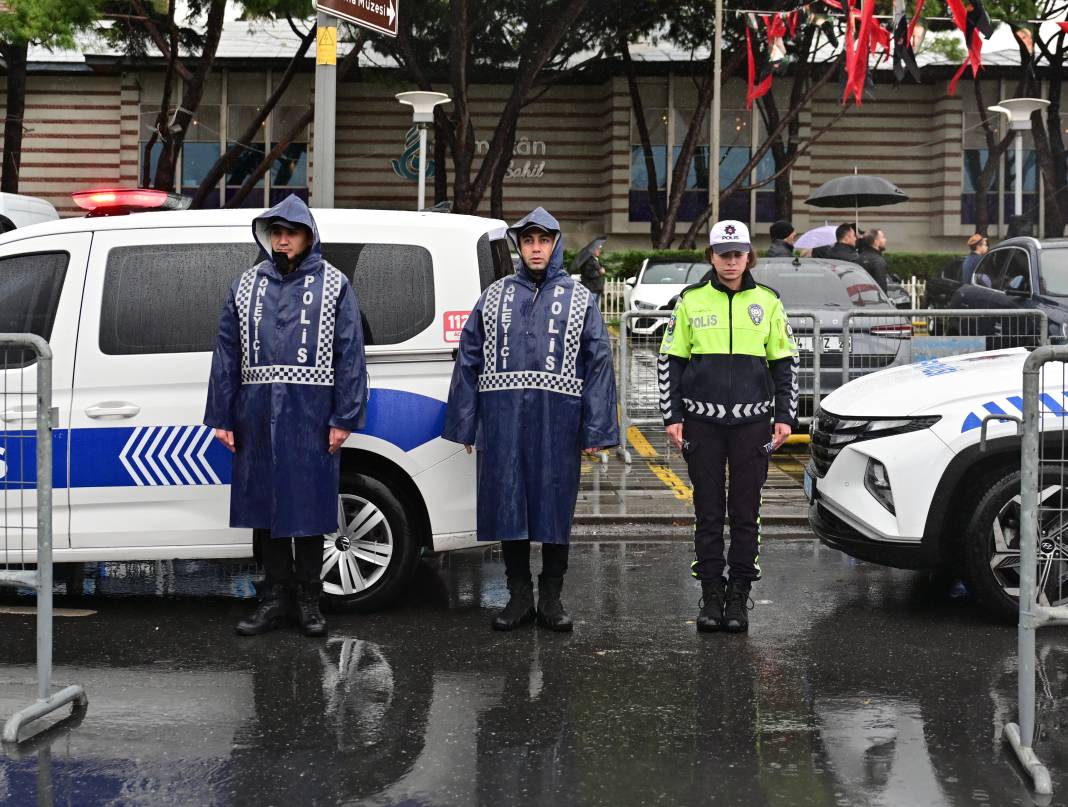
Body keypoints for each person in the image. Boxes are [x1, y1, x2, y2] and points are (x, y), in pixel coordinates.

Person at [444, 207, 619, 633]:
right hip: (503, 421)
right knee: (510, 506)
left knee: (555, 508)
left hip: (558, 422)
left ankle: (553, 598)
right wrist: (466, 421)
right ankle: (519, 596)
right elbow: (469, 358)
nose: (536, 248)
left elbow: (598, 363)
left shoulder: (580, 299)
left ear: (555, 244)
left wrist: (596, 428)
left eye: (543, 241)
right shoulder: (494, 295)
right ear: (519, 247)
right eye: (528, 241)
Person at [205, 194, 367, 638]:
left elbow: (350, 353)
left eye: (290, 232)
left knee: (309, 507)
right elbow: (227, 352)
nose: (281, 240)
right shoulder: (245, 285)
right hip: (254, 413)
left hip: (310, 414)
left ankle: (310, 601)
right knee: (265, 508)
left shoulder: (334, 285)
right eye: (275, 232)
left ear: (308, 236)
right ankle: (275, 598)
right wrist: (222, 414)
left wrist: (344, 416)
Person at [658, 220, 798, 634]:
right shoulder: (690, 300)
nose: (731, 261)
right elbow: (671, 361)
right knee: (707, 511)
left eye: (738, 254)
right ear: (711, 256)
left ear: (748, 256)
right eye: (723, 253)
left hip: (753, 425)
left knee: (744, 511)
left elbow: (784, 364)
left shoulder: (769, 302)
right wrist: (673, 415)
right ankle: (711, 595)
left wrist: (785, 416)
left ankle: (738, 595)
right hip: (702, 424)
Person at [575, 237, 607, 306]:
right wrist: (600, 272)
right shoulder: (588, 261)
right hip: (592, 289)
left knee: (595, 310)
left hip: (596, 289)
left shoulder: (595, 260)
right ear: (593, 250)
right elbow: (588, 273)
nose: (599, 251)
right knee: (591, 308)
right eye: (598, 249)